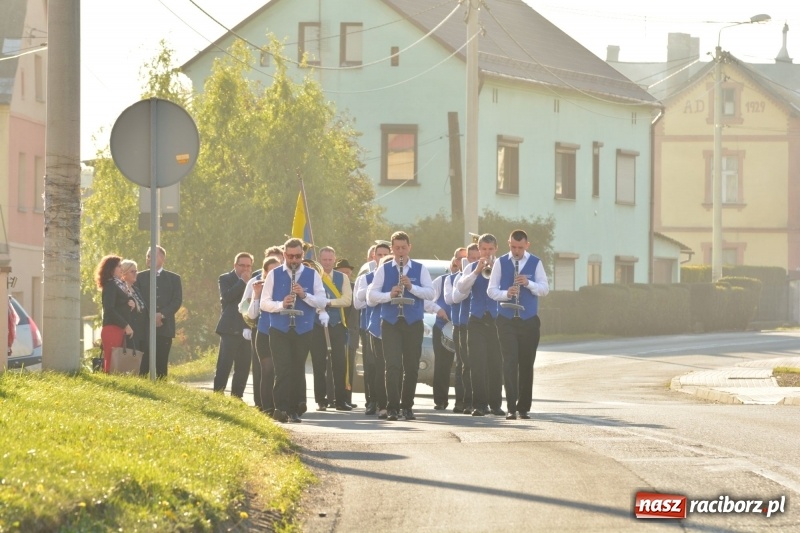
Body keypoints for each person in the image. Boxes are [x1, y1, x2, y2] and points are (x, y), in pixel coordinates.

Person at [368, 231, 434, 421]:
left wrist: (412, 288)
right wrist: (390, 294)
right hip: (390, 322)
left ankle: (407, 407)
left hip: (413, 322)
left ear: (409, 247)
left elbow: (430, 293)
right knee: (393, 366)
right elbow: (372, 295)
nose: (400, 252)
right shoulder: (385, 269)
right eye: (397, 248)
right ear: (392, 249)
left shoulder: (420, 269)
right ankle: (392, 408)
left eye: (403, 248)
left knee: (411, 367)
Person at [261, 238, 326, 423]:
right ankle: (280, 408)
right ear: (284, 255)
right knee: (283, 368)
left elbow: (322, 302)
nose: (294, 260)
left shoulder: (312, 275)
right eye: (290, 256)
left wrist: (304, 295)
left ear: (302, 255)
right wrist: (282, 304)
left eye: (298, 256)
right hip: (279, 329)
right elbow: (264, 303)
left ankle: (294, 408)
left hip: (303, 329)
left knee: (297, 368)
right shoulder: (273, 274)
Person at [488, 229, 549, 420]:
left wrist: (528, 283)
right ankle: (511, 407)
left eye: (520, 247)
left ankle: (523, 407)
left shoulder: (535, 262)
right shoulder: (500, 262)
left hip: (528, 320)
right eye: (513, 246)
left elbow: (544, 289)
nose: (516, 251)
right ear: (509, 244)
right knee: (509, 362)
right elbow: (491, 290)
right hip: (506, 320)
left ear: (526, 246)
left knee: (526, 364)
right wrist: (507, 293)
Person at [456, 233, 505, 417]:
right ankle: (479, 404)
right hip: (476, 319)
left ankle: (496, 404)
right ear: (479, 249)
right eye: (484, 249)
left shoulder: (502, 266)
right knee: (477, 364)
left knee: (495, 363)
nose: (487, 252)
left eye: (490, 249)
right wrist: (477, 271)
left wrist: (495, 270)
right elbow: (461, 288)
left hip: (495, 319)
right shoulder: (470, 267)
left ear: (496, 249)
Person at [241, 246, 285, 410]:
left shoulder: (285, 283)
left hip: (283, 332)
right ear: (265, 272)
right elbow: (249, 312)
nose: (275, 274)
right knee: (266, 369)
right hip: (264, 330)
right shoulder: (256, 283)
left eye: (278, 269)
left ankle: (282, 404)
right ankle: (265, 407)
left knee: (281, 370)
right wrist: (257, 295)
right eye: (271, 271)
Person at [309, 247, 353, 411]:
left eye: (330, 260)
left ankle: (341, 400)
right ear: (319, 260)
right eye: (324, 260)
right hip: (317, 325)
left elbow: (347, 300)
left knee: (339, 363)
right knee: (319, 363)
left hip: (337, 325)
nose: (327, 263)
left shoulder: (342, 278)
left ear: (334, 260)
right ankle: (321, 400)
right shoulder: (313, 276)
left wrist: (329, 303)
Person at [354, 242, 390, 416]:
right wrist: (373, 291)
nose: (382, 258)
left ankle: (389, 400)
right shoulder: (365, 278)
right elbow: (358, 303)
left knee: (389, 365)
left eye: (385, 254)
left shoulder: (393, 275)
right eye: (379, 255)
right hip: (370, 326)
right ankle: (372, 400)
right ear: (373, 257)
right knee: (371, 366)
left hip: (390, 327)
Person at [135, 245, 182, 378]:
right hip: (144, 327)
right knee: (143, 365)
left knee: (161, 365)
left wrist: (161, 315)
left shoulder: (174, 279)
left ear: (162, 258)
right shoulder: (139, 277)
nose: (148, 258)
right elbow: (138, 298)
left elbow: (177, 301)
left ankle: (161, 392)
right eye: (147, 256)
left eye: (152, 255)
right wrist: (151, 315)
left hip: (165, 327)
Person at [213, 252, 254, 399]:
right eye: (242, 265)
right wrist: (242, 282)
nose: (245, 269)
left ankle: (237, 396)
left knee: (243, 365)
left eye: (248, 266)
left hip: (247, 327)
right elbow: (227, 297)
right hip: (230, 327)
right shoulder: (225, 278)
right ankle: (218, 394)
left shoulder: (255, 279)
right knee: (224, 364)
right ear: (235, 265)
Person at [448, 243, 478, 413]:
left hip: (481, 324)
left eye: (477, 258)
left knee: (480, 364)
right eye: (471, 258)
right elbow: (454, 297)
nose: (474, 261)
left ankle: (481, 400)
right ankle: (463, 401)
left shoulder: (488, 274)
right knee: (464, 364)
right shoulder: (457, 277)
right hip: (463, 325)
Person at [96, 254, 133, 373]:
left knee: (117, 364)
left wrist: (129, 304)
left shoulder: (118, 284)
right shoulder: (111, 285)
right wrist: (125, 325)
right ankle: (110, 386)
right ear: (111, 268)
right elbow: (110, 309)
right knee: (112, 363)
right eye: (119, 266)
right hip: (112, 328)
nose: (121, 268)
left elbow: (118, 305)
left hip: (118, 328)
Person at [335, 258, 360, 409]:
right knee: (335, 366)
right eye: (342, 272)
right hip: (336, 330)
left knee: (349, 367)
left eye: (348, 272)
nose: (346, 274)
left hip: (351, 332)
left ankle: (347, 398)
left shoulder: (354, 288)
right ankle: (333, 397)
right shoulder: (332, 288)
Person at [119, 260, 148, 358]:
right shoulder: (121, 290)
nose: (136, 274)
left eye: (136, 271)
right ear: (124, 273)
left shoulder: (136, 289)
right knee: (131, 361)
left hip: (141, 331)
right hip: (130, 331)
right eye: (132, 271)